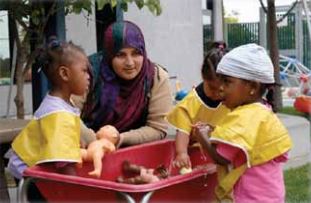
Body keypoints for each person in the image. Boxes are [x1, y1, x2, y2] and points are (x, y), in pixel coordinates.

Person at [193, 43, 293, 203]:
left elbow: (221, 158)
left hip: (251, 198)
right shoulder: (262, 111)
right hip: (272, 195)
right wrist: (217, 132)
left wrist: (202, 136)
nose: (221, 88)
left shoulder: (243, 116)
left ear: (252, 87)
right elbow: (242, 143)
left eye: (227, 82)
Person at [8, 38, 91, 180]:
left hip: (35, 169)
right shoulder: (58, 114)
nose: (89, 77)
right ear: (64, 74)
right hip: (30, 175)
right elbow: (66, 167)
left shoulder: (61, 102)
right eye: (84, 71)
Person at [80, 21, 172, 148]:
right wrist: (96, 142)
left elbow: (157, 128)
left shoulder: (156, 78)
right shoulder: (87, 72)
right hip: (86, 150)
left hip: (134, 151)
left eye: (136, 53)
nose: (129, 63)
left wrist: (119, 139)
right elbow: (66, 114)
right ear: (109, 54)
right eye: (120, 55)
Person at [166, 42, 230, 172]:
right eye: (212, 88)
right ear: (203, 77)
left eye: (222, 89)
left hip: (225, 153)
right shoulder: (191, 102)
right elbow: (182, 131)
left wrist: (219, 164)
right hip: (198, 152)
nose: (217, 94)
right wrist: (182, 153)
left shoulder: (231, 102)